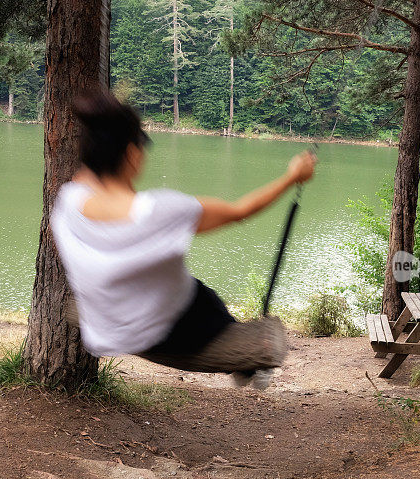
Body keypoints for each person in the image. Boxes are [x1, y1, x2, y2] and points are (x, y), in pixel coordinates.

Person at [50, 92, 317, 389]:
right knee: (205, 297)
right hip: (173, 329)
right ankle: (248, 366)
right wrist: (293, 176)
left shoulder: (68, 201)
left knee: (170, 283)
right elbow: (241, 210)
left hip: (105, 327)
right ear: (132, 155)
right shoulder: (163, 211)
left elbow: (87, 177)